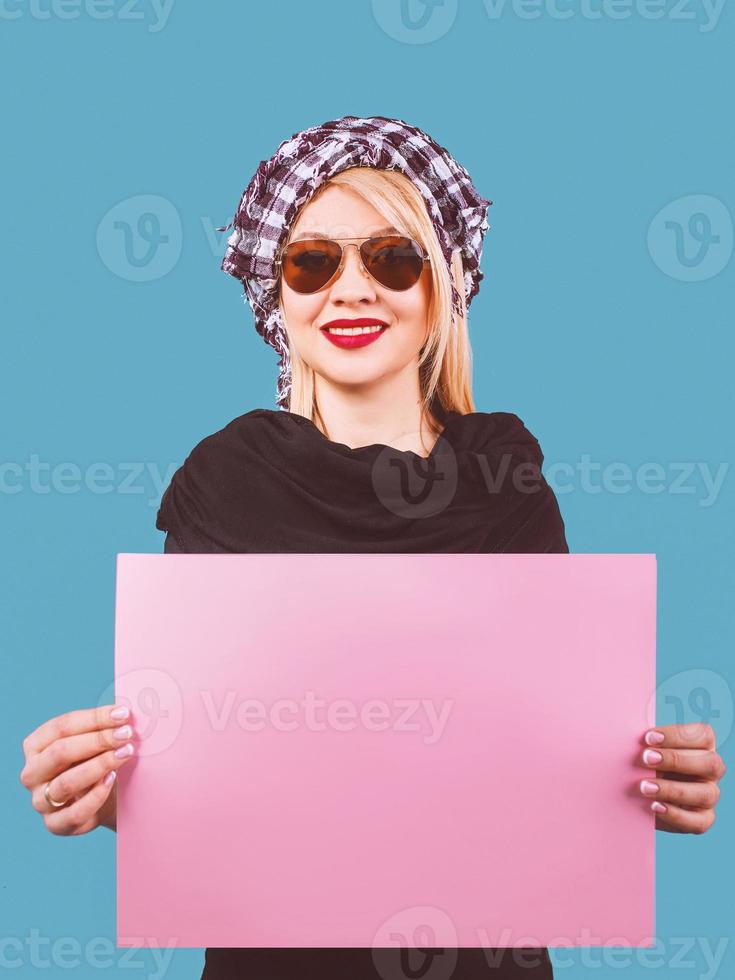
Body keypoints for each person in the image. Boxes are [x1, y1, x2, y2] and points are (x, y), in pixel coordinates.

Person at [19, 116, 726, 980]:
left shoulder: (507, 481)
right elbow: (216, 774)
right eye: (312, 262)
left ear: (444, 286)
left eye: (392, 258)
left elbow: (525, 760)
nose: (351, 289)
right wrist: (103, 794)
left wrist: (644, 786)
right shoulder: (225, 479)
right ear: (275, 295)